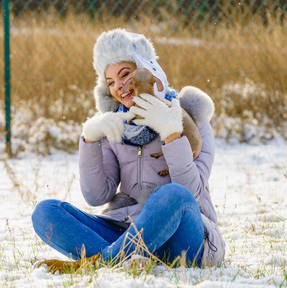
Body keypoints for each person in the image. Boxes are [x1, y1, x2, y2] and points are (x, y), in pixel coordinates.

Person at [31, 28, 225, 273]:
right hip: (125, 230)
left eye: (125, 74)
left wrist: (171, 133)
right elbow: (97, 196)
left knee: (172, 195)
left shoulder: (190, 117)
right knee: (45, 212)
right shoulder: (115, 124)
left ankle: (101, 263)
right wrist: (90, 138)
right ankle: (127, 259)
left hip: (186, 237)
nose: (119, 87)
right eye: (110, 82)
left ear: (147, 70)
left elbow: (191, 192)